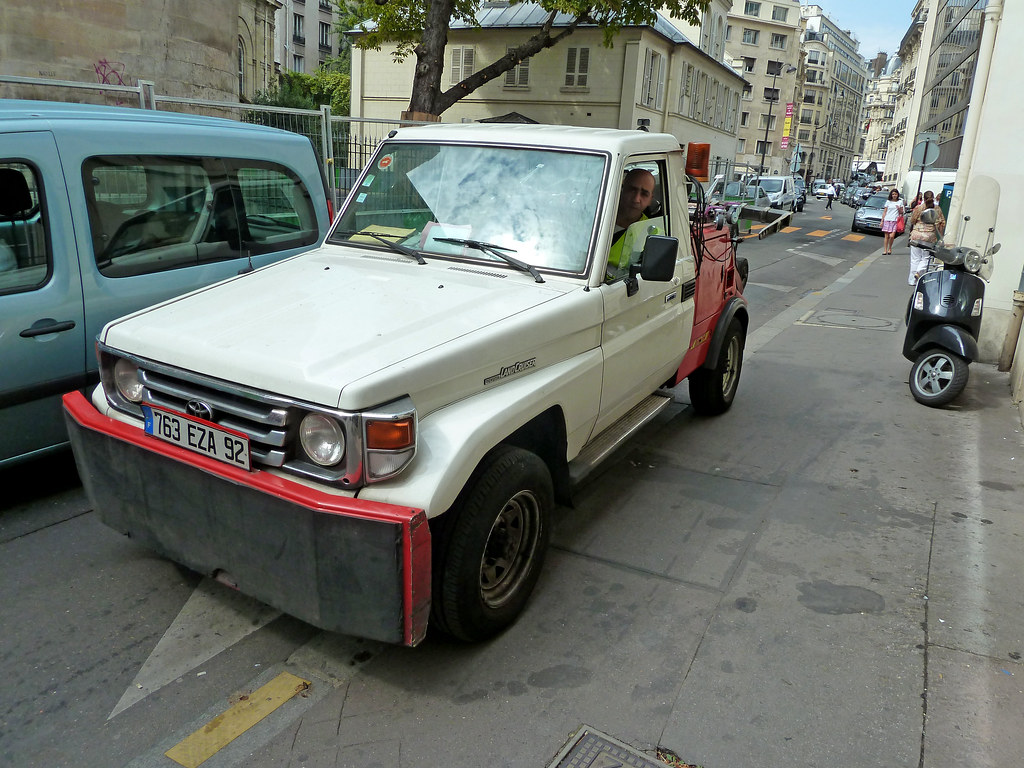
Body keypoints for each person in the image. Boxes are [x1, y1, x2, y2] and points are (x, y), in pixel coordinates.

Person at [608, 168, 655, 279]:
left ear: (650, 200)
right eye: (632, 190)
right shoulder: (596, 220)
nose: (636, 199)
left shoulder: (654, 233)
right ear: (622, 189)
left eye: (644, 194)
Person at [907, 190, 946, 285]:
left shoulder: (919, 208)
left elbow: (912, 220)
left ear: (924, 198)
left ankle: (912, 280)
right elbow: (942, 223)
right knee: (925, 257)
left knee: (915, 258)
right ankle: (919, 273)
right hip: (929, 236)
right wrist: (941, 236)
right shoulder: (937, 209)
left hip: (916, 234)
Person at [880, 188, 905, 255]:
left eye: (895, 194)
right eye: (893, 194)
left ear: (897, 195)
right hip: (887, 219)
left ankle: (890, 248)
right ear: (891, 195)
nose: (894, 195)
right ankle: (885, 250)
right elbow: (885, 211)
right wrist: (882, 221)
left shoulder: (900, 202)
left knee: (892, 236)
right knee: (886, 236)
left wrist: (899, 209)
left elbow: (902, 212)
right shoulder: (888, 202)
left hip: (895, 220)